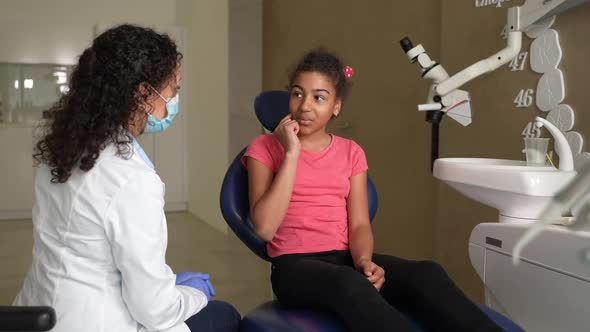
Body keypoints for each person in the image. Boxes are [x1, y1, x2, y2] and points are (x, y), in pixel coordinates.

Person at [242, 49, 502, 332]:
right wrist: (291, 154)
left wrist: (364, 261)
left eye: (319, 97)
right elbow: (265, 229)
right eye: (297, 94)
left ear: (336, 106)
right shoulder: (264, 148)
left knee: (427, 273)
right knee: (347, 282)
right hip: (293, 268)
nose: (305, 106)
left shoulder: (351, 152)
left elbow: (359, 224)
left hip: (344, 261)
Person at [14, 24, 240, 332]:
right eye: (173, 90)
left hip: (39, 310)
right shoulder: (132, 180)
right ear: (144, 93)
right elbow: (155, 311)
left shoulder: (64, 151)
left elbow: (89, 250)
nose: (173, 102)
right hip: (97, 323)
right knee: (224, 315)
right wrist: (193, 294)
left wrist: (169, 283)